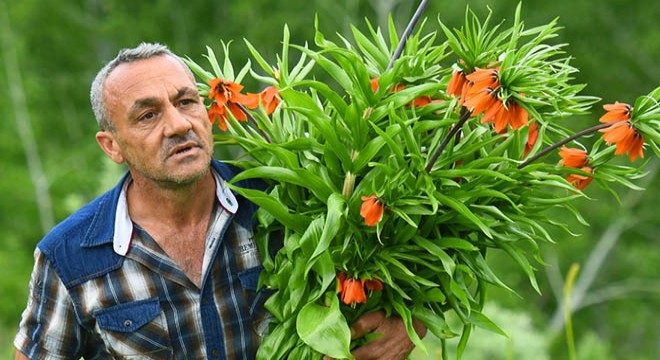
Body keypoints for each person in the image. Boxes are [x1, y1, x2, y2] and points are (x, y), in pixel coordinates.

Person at [13, 42, 425, 359]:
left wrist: (409, 326)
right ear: (111, 145)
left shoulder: (285, 199)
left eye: (186, 101)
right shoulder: (71, 257)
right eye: (148, 115)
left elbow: (400, 266)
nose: (178, 124)